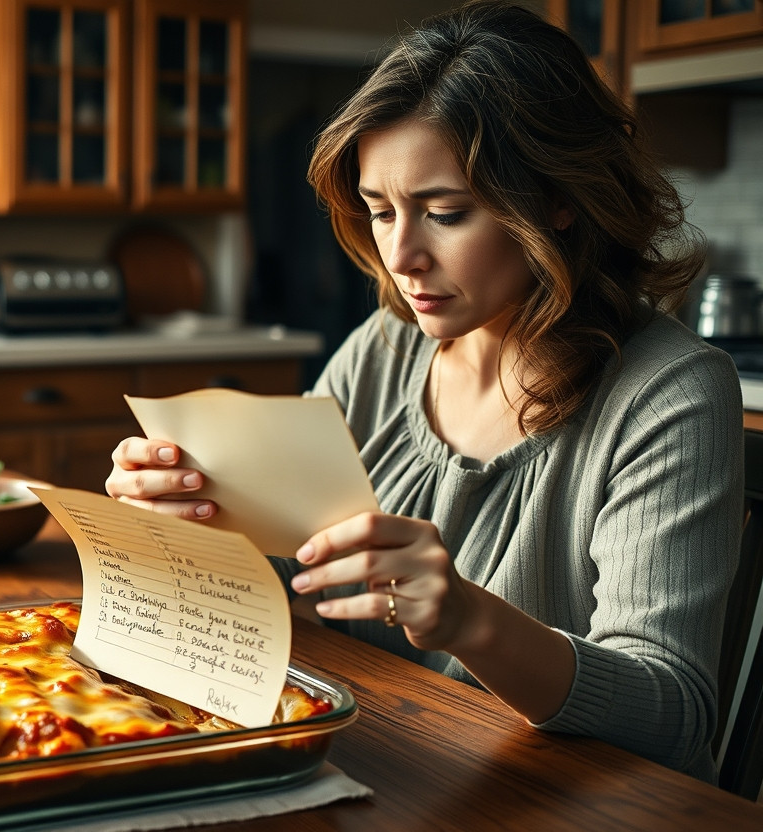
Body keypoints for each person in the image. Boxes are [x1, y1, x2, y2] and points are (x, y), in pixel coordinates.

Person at [104, 0, 741, 783]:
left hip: (566, 801)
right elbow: (280, 578)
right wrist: (181, 525)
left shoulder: (670, 395)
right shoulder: (385, 346)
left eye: (445, 213)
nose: (402, 256)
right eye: (380, 212)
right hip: (395, 766)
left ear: (559, 201)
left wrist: (471, 619)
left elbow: (671, 717)